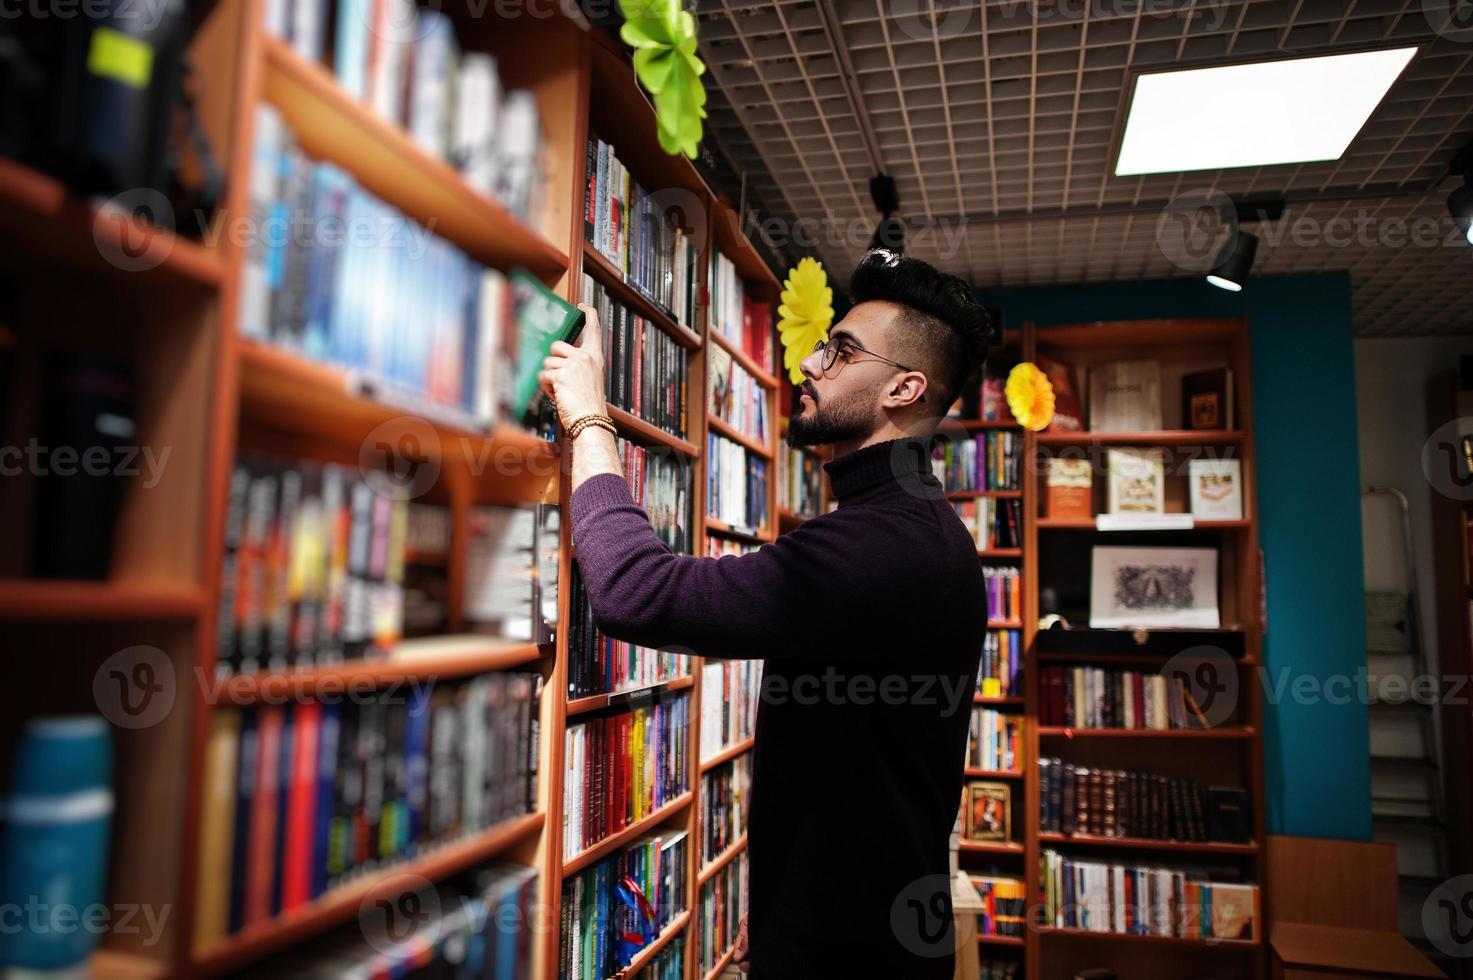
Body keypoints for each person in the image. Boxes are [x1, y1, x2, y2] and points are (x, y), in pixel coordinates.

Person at [539, 248, 994, 979]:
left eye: (841, 352)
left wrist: (590, 419)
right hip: (853, 933)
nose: (810, 364)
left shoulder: (881, 545)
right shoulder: (911, 527)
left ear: (904, 388)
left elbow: (633, 590)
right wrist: (786, 901)